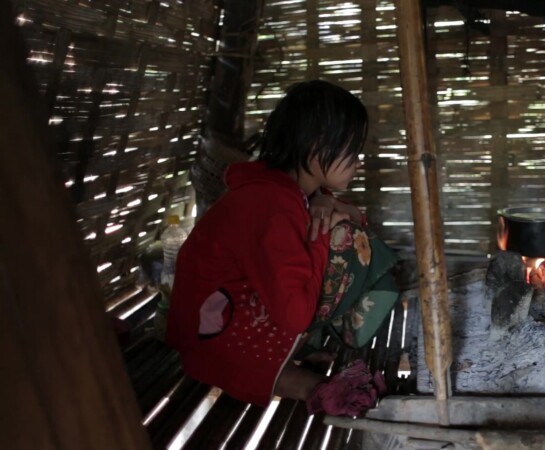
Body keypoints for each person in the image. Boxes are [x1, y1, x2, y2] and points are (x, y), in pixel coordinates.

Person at [166, 80, 398, 415]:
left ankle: (291, 360)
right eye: (352, 151)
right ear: (318, 146)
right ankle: (298, 377)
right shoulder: (273, 206)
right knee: (347, 243)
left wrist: (325, 205)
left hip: (217, 327)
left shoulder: (284, 191)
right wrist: (321, 234)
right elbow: (295, 315)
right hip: (213, 342)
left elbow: (356, 218)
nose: (358, 162)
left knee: (349, 234)